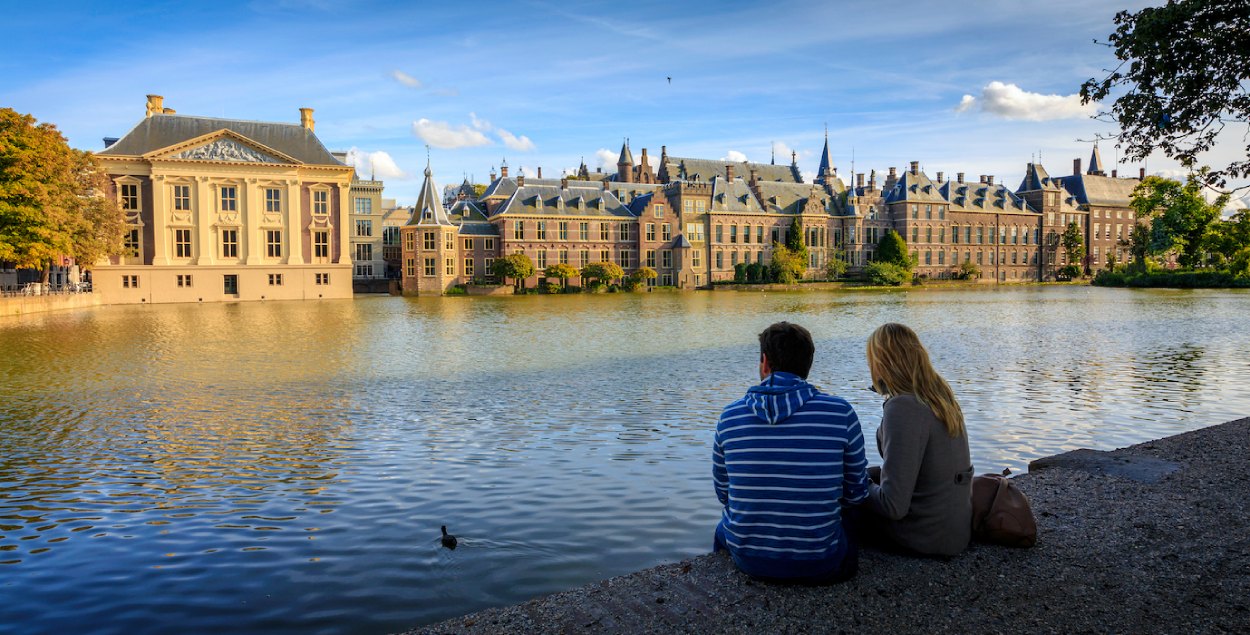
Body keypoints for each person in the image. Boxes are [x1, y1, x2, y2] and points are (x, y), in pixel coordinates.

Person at [713, 321, 869, 583]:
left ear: (764, 362)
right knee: (852, 517)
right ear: (808, 364)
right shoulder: (839, 412)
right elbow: (857, 493)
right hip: (821, 562)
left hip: (748, 560)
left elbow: (724, 493)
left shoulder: (730, 416)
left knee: (724, 526)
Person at [860, 323, 973, 557]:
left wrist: (853, 483)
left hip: (924, 537)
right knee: (866, 475)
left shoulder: (903, 407)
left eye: (872, 360)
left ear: (882, 363)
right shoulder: (939, 396)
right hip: (954, 532)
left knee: (841, 494)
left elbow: (892, 506)